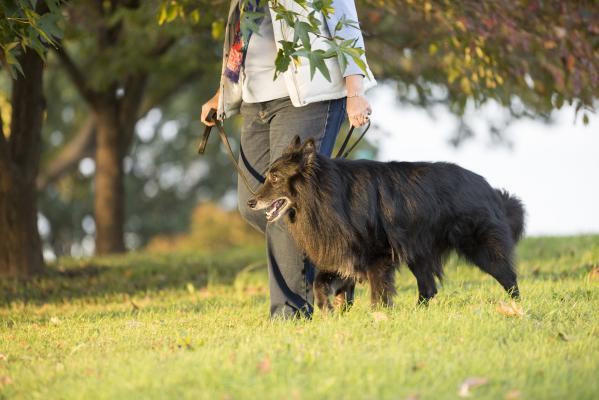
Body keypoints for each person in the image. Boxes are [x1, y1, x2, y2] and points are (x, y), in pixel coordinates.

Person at [201, 0, 377, 319]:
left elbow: (345, 24)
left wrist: (355, 91)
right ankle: (334, 263)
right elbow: (241, 39)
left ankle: (289, 314)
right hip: (255, 103)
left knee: (285, 206)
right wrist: (222, 94)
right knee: (252, 204)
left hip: (308, 100)